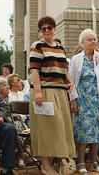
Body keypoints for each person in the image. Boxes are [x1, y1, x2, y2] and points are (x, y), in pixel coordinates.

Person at [29, 16, 76, 175]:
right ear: (40, 31)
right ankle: (45, 165)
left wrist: (70, 82)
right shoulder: (37, 46)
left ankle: (56, 163)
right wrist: (38, 92)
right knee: (46, 128)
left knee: (60, 129)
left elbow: (64, 70)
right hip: (45, 92)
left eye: (50, 27)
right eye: (44, 28)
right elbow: (34, 70)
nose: (47, 31)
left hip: (61, 92)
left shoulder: (60, 48)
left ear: (54, 29)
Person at [69, 29, 99, 174]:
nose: (93, 41)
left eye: (94, 39)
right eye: (89, 39)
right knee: (82, 132)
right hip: (82, 101)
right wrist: (73, 101)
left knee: (97, 133)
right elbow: (71, 82)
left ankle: (94, 161)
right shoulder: (76, 59)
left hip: (98, 100)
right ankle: (80, 161)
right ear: (82, 43)